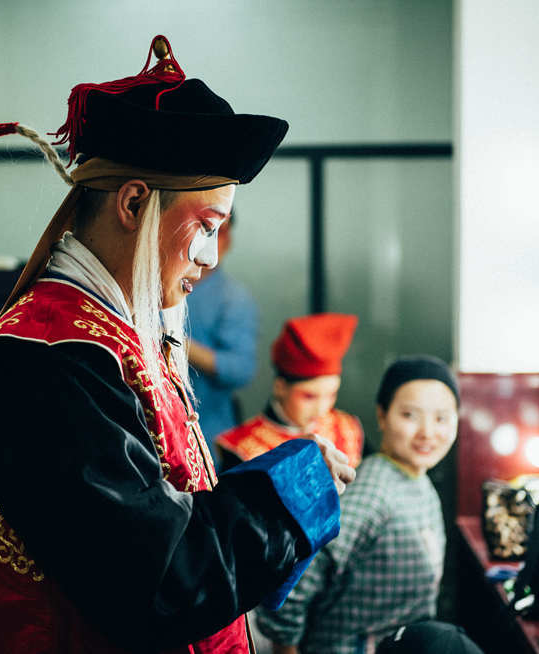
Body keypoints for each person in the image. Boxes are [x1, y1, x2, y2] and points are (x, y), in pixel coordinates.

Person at [0, 36, 355, 654]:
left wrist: (277, 481)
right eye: (206, 226)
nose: (209, 257)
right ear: (133, 203)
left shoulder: (113, 332)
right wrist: (288, 499)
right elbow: (158, 581)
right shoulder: (49, 356)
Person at [256, 355, 460, 654]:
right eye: (409, 415)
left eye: (441, 418)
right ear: (382, 415)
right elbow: (297, 579)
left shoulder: (419, 480)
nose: (427, 432)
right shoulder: (373, 493)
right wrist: (284, 645)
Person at [216, 313, 364, 470]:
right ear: (280, 387)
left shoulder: (347, 428)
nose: (321, 409)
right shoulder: (242, 448)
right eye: (309, 396)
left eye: (331, 395)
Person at [186, 211, 260, 462]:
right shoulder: (156, 286)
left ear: (228, 240)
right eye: (205, 230)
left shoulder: (233, 299)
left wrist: (178, 344)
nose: (210, 241)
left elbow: (241, 369)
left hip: (206, 435)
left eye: (220, 232)